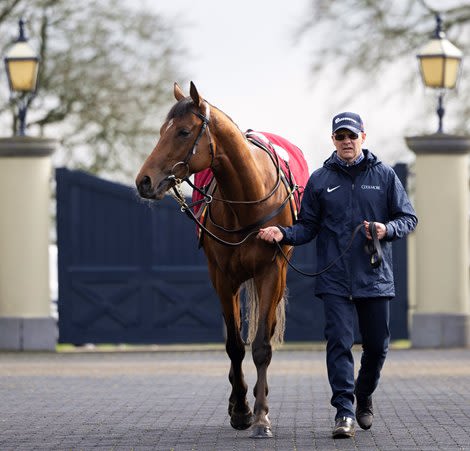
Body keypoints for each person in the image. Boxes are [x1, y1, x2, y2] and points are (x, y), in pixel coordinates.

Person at [257, 112, 417, 439]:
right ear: (333, 140)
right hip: (334, 279)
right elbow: (307, 227)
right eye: (340, 136)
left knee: (377, 347)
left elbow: (409, 218)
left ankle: (364, 393)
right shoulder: (319, 179)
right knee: (339, 344)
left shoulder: (384, 176)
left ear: (363, 137)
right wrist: (282, 233)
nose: (346, 142)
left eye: (351, 136)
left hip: (374, 277)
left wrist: (388, 228)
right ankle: (344, 412)